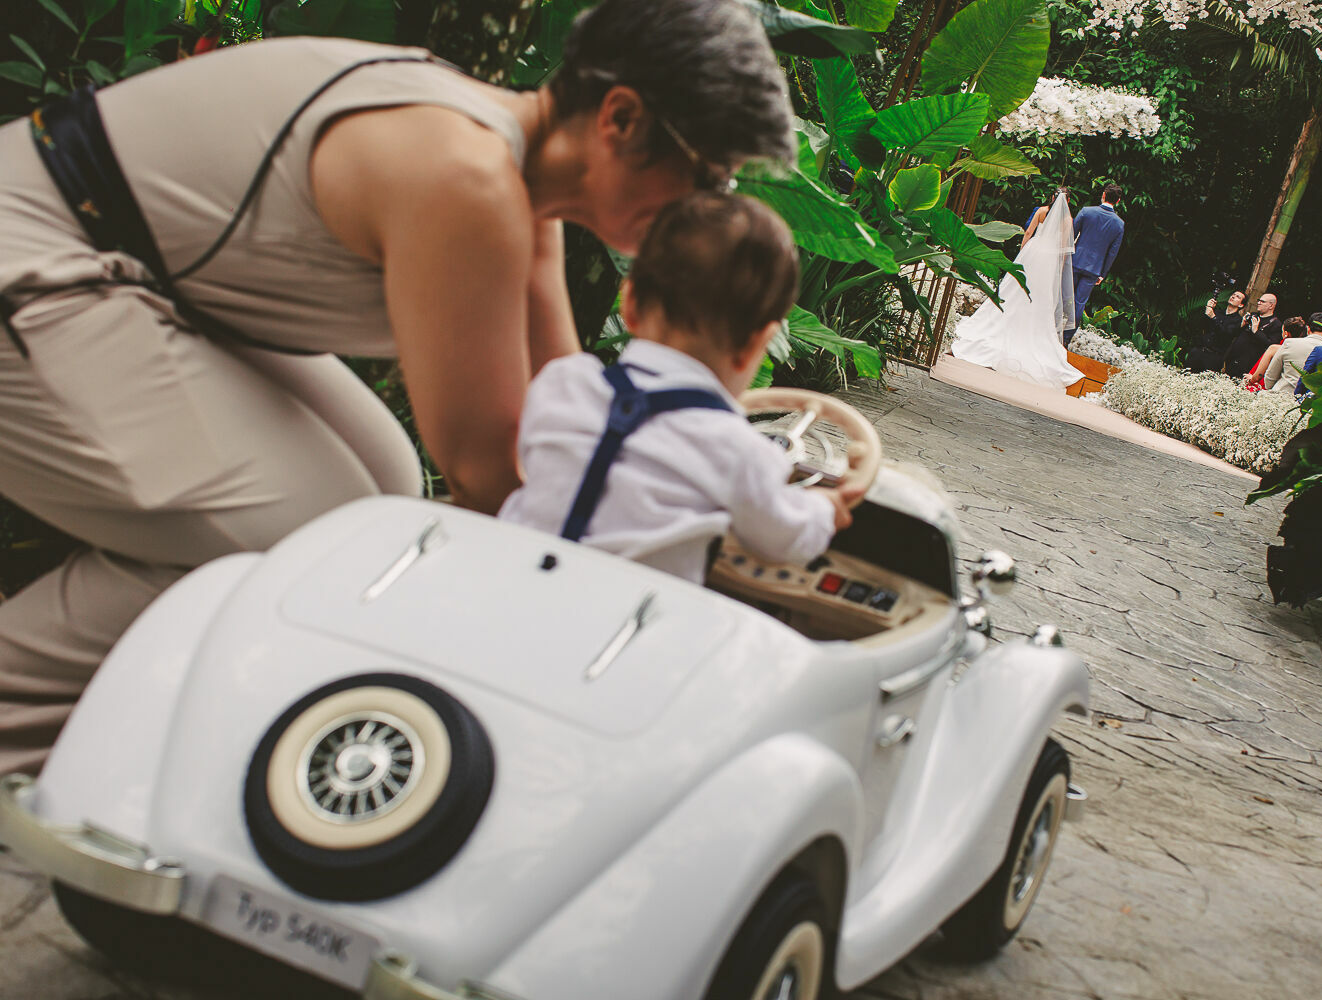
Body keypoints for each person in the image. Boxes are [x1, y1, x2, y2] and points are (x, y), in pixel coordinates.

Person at [0, 0, 797, 775]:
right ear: (620, 118)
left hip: (135, 283)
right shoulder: (465, 176)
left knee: (380, 488)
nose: (706, 209)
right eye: (708, 176)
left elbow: (564, 423)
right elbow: (490, 474)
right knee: (311, 528)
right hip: (38, 255)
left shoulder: (524, 196)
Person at [499, 193, 858, 583]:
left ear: (630, 303)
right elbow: (786, 538)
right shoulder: (738, 451)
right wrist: (826, 510)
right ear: (756, 344)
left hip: (506, 588)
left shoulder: (564, 385)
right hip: (624, 617)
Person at [949, 189, 1085, 390]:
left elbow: (1029, 233)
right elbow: (1064, 247)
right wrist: (1060, 266)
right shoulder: (1067, 220)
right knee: (1041, 296)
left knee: (1015, 288)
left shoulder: (1041, 211)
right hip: (1049, 258)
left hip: (1033, 252)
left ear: (1052, 197)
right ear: (1068, 201)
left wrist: (1023, 252)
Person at [1064, 183, 1125, 345]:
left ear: (1103, 195)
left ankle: (1050, 330)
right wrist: (1102, 274)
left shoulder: (1087, 211)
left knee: (1063, 296)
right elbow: (1112, 253)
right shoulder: (1119, 224)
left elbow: (1071, 236)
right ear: (1118, 201)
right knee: (1079, 304)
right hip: (1094, 269)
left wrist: (1065, 257)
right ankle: (1065, 340)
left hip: (1075, 261)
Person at [1259, 316, 1322, 392]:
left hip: (1283, 393)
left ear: (1308, 329)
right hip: (1311, 397)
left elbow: (1270, 377)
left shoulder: (1288, 343)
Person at [1222, 292, 1283, 377]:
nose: (1259, 303)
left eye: (1262, 301)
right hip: (1232, 360)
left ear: (1271, 306)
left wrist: (1256, 331)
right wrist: (1242, 324)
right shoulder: (1253, 315)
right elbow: (1234, 334)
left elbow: (1271, 345)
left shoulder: (1276, 324)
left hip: (1247, 366)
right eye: (1259, 300)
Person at [1185, 289, 1245, 372]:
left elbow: (1227, 334)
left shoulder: (1238, 320)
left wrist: (1214, 317)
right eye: (1233, 295)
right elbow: (1200, 326)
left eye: (1237, 297)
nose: (1233, 297)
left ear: (1241, 305)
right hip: (1198, 351)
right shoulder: (1217, 312)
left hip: (1214, 357)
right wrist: (1208, 308)